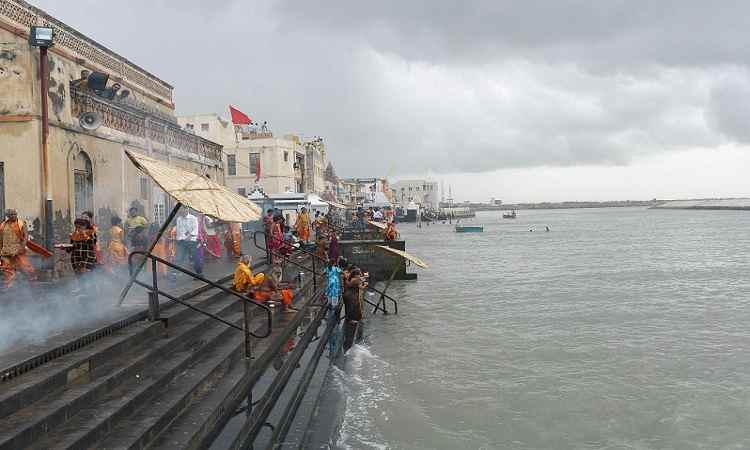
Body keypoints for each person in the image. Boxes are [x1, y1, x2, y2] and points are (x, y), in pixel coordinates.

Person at [0, 209, 35, 288]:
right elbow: (1, 239)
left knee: (27, 268)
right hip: (6, 252)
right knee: (8, 270)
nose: (14, 216)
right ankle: (10, 287)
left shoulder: (21, 223)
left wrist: (22, 247)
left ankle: (32, 284)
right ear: (7, 216)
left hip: (18, 251)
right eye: (11, 214)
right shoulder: (3, 225)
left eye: (15, 214)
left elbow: (25, 236)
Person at [173, 208, 198, 275]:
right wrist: (177, 239)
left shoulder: (193, 218)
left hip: (191, 241)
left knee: (195, 257)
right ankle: (174, 273)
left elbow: (195, 229)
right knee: (178, 257)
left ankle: (199, 273)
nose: (182, 211)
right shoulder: (179, 219)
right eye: (181, 210)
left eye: (183, 209)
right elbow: (179, 230)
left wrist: (190, 236)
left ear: (187, 210)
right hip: (181, 241)